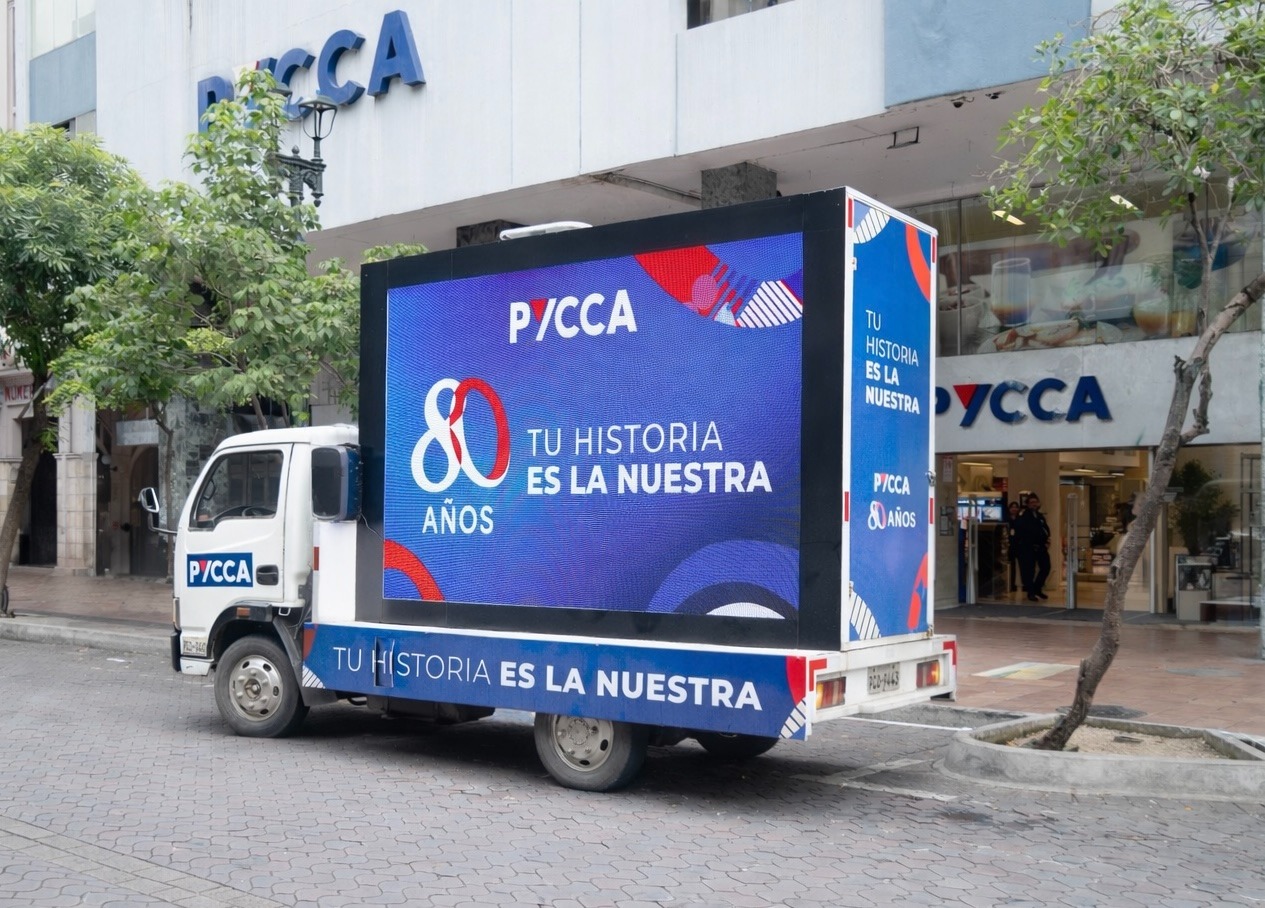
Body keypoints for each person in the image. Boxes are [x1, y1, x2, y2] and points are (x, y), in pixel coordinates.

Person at [1013, 493, 1052, 601]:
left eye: (1035, 502)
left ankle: (1037, 588)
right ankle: (1031, 592)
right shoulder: (1023, 516)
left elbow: (1045, 530)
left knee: (1046, 567)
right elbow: (1020, 531)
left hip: (1041, 547)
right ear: (1028, 504)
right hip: (1027, 548)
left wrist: (1047, 540)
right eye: (1031, 502)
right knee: (1029, 571)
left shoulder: (1040, 516)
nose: (1034, 504)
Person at [1006, 500, 1022, 592]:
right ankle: (1011, 584)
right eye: (1012, 507)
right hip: (1009, 545)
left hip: (1019, 544)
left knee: (1022, 565)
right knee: (1011, 565)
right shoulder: (1006, 519)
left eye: (1016, 507)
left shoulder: (1020, 519)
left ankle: (1024, 584)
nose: (1014, 509)